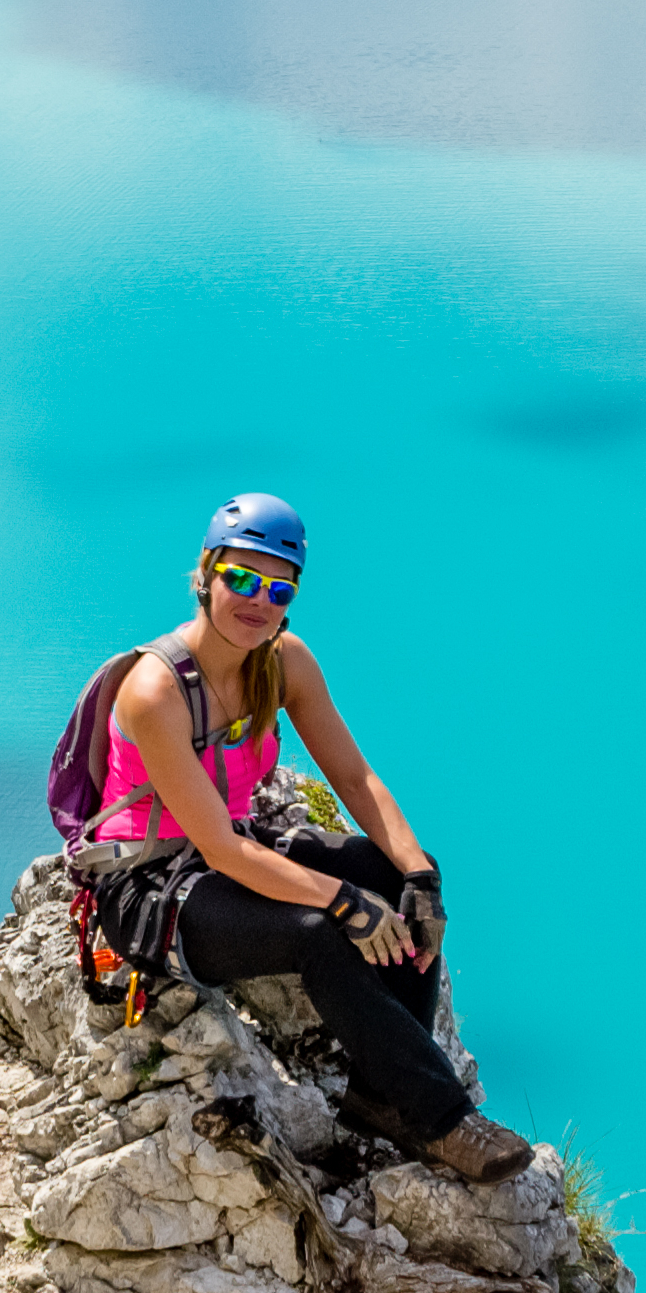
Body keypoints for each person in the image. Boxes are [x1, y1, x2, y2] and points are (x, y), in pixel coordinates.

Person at [84, 492, 536, 1183]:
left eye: (277, 587)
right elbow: (219, 852)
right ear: (205, 572)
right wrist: (344, 901)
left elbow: (355, 778)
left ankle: (381, 1095)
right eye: (240, 578)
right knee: (321, 930)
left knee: (392, 876)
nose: (256, 601)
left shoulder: (283, 661)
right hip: (151, 887)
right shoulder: (156, 690)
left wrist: (417, 875)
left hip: (234, 847)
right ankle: (441, 1119)